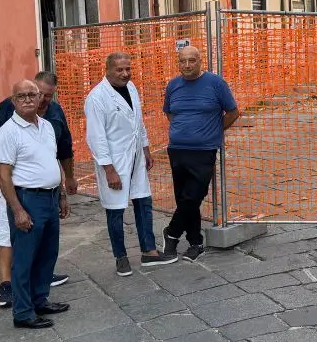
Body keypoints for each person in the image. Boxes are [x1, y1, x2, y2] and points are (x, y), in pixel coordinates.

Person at [0, 71, 72, 308]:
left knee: (47, 251)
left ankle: (40, 299)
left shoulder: (48, 124)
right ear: (13, 101)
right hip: (25, 195)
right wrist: (16, 207)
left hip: (50, 196)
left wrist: (62, 192)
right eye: (23, 96)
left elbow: (58, 155)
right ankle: (21, 308)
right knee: (20, 251)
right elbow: (2, 168)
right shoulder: (8, 128)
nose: (34, 99)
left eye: (37, 95)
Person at [86, 52, 178, 277]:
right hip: (114, 161)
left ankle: (149, 251)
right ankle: (121, 256)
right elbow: (96, 138)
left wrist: (145, 148)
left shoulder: (132, 88)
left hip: (135, 156)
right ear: (107, 70)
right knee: (116, 209)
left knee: (143, 201)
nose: (125, 74)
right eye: (119, 70)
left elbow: (139, 121)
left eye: (128, 69)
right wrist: (109, 169)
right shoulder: (97, 98)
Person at [162, 46, 240, 262]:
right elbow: (169, 113)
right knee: (184, 197)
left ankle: (172, 231)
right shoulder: (173, 85)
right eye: (183, 61)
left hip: (204, 150)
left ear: (200, 61)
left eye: (192, 61)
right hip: (177, 149)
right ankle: (195, 242)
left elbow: (233, 112)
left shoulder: (216, 83)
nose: (187, 65)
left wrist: (212, 131)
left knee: (194, 195)